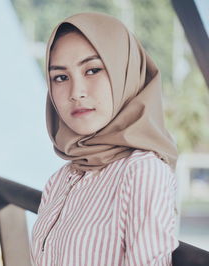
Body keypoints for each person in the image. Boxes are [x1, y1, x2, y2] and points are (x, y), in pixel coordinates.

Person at [30, 12, 179, 265]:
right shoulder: (62, 179)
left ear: (125, 73)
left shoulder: (142, 172)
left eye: (93, 70)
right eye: (61, 77)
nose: (76, 93)